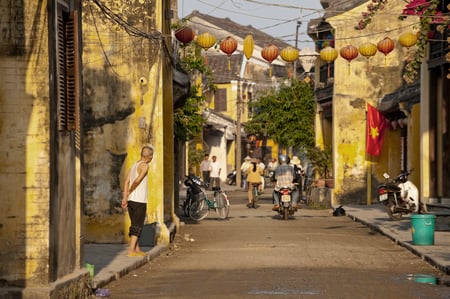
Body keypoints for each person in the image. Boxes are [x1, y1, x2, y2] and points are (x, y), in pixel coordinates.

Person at [121, 145, 154, 257]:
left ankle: (136, 248)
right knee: (138, 225)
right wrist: (131, 190)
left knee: (134, 224)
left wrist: (125, 197)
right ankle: (131, 250)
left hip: (131, 200)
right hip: (139, 200)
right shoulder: (145, 166)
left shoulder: (134, 165)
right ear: (149, 156)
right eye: (151, 156)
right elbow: (137, 180)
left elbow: (126, 181)